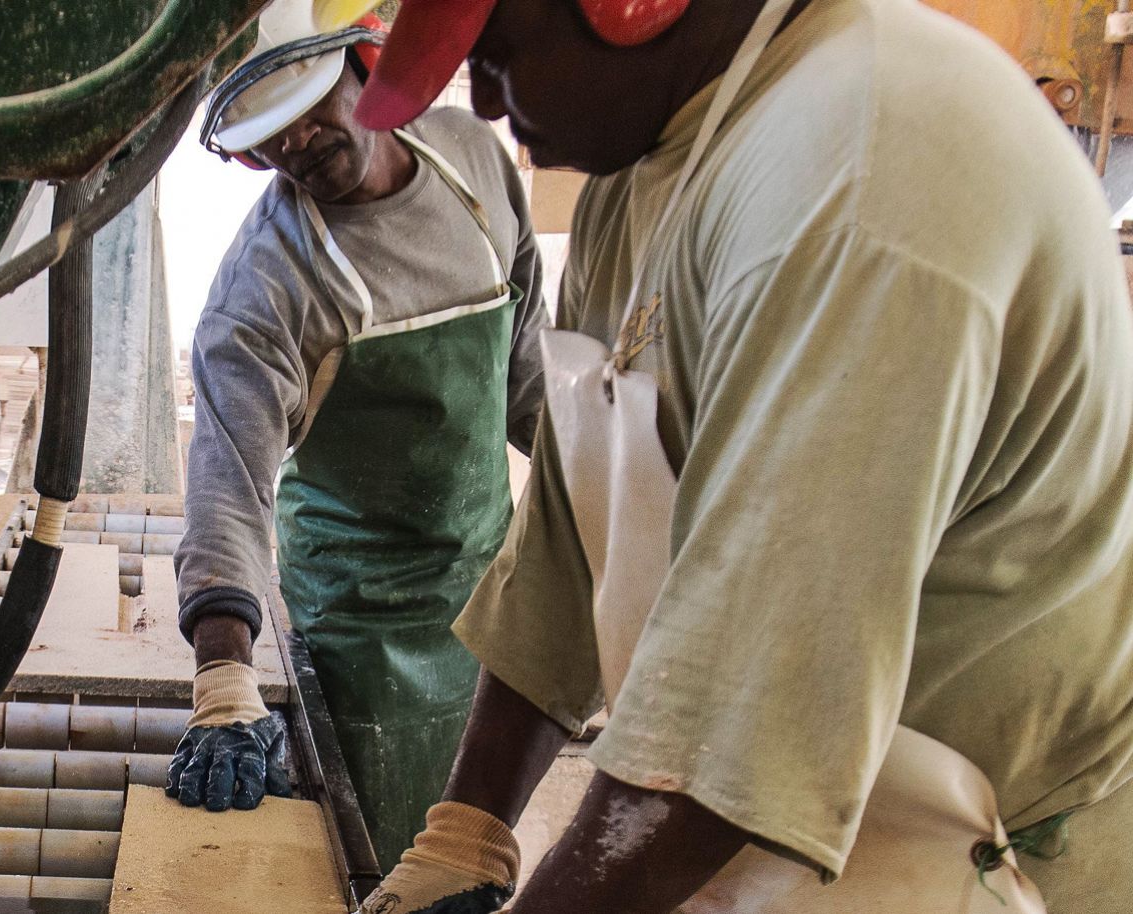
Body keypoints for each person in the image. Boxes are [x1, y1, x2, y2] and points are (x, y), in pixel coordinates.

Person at [309, 0, 1133, 912]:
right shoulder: (649, 162)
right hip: (796, 812)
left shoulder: (858, 177)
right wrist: (466, 830)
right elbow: (570, 545)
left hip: (978, 852)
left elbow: (749, 709)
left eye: (499, 56)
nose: (492, 106)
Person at [165, 0, 547, 869]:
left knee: (475, 855)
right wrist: (225, 678)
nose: (294, 145)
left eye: (305, 109)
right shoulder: (265, 287)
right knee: (376, 866)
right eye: (268, 137)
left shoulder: (475, 160)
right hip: (360, 635)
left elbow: (527, 384)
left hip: (488, 601)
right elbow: (229, 484)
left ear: (360, 67)